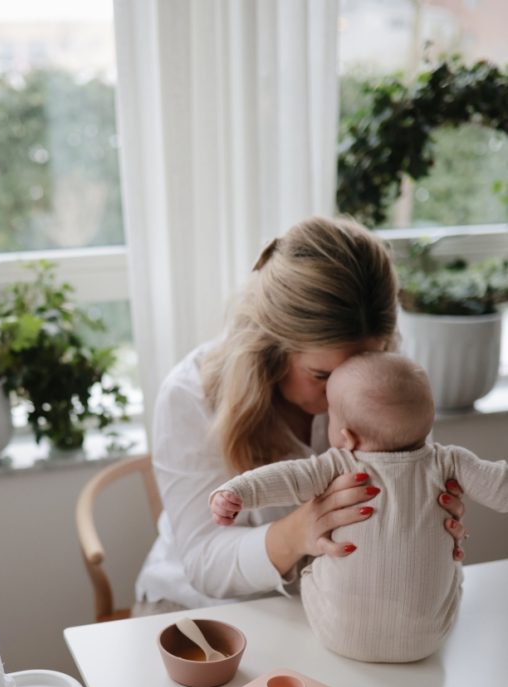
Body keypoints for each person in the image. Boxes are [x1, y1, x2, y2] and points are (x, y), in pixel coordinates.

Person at [134, 215, 466, 617]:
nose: (338, 398)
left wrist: (423, 518)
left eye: (363, 366)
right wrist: (298, 532)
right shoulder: (188, 396)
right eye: (322, 376)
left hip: (328, 606)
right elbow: (206, 560)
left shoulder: (385, 386)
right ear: (272, 346)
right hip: (195, 611)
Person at [210, 351, 508, 662]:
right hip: (429, 639)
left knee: (311, 569)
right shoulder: (449, 461)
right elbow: (501, 487)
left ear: (347, 437)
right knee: (454, 569)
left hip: (336, 634)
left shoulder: (342, 463)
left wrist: (238, 491)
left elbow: (288, 478)